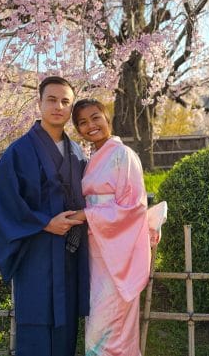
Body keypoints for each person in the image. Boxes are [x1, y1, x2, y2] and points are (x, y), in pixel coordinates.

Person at [0, 76, 89, 356]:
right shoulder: (19, 151)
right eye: (52, 99)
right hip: (36, 252)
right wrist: (44, 222)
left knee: (65, 328)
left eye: (65, 101)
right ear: (39, 103)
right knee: (36, 321)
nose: (59, 106)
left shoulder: (77, 152)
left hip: (68, 252)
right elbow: (2, 203)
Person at [69, 98, 156, 356]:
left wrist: (87, 214)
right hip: (97, 250)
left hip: (119, 253)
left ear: (108, 119)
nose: (90, 125)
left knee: (109, 324)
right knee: (96, 322)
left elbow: (132, 208)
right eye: (82, 122)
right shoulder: (92, 158)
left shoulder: (124, 155)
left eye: (96, 117)